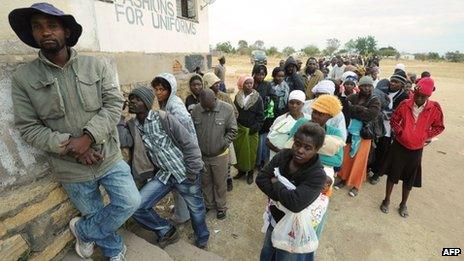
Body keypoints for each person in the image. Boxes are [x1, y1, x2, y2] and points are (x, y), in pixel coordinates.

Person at [9, 3, 140, 260]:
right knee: (93, 211)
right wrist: (72, 145)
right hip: (69, 167)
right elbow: (28, 127)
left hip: (108, 156)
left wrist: (88, 137)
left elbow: (114, 105)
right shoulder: (24, 78)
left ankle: (82, 231)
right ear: (32, 35)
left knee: (130, 202)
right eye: (37, 27)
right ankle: (114, 251)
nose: (45, 32)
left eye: (52, 25)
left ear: (66, 32)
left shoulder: (95, 66)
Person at [126, 87, 210, 249]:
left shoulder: (163, 118)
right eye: (131, 98)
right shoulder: (133, 125)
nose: (132, 102)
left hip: (184, 172)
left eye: (137, 99)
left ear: (147, 103)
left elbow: (189, 143)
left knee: (196, 210)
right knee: (137, 206)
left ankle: (202, 239)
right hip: (164, 175)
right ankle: (166, 230)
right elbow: (124, 141)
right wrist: (117, 115)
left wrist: (193, 171)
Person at [256, 123, 327, 261]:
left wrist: (277, 182)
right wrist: (286, 196)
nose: (300, 150)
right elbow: (261, 179)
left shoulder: (317, 175)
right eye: (297, 144)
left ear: (317, 149)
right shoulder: (283, 156)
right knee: (266, 254)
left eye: (307, 148)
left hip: (294, 228)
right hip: (275, 217)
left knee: (285, 256)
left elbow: (295, 205)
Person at [379, 77, 444, 217]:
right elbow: (394, 120)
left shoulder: (434, 108)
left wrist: (425, 136)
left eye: (423, 97)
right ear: (414, 93)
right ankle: (387, 199)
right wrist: (400, 131)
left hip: (416, 150)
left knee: (409, 178)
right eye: (417, 95)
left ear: (428, 96)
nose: (419, 99)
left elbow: (439, 126)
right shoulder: (405, 104)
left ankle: (403, 203)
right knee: (392, 174)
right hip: (399, 146)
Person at [151, 73, 195, 225]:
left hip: (181, 153)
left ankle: (182, 215)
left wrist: (186, 154)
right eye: (156, 89)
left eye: (162, 89)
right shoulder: (167, 103)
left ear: (171, 90)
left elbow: (186, 132)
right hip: (177, 152)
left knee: (180, 186)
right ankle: (184, 211)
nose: (158, 93)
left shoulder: (174, 106)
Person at [191, 89, 237, 219]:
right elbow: (192, 130)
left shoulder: (227, 109)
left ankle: (221, 207)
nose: (205, 108)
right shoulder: (197, 109)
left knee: (220, 183)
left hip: (220, 155)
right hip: (203, 156)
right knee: (206, 182)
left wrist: (223, 143)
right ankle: (209, 204)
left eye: (208, 106)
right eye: (203, 106)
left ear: (214, 99)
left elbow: (233, 130)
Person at [334, 76, 381, 197]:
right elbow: (345, 111)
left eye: (369, 86)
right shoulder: (352, 97)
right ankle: (343, 179)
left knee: (359, 160)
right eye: (364, 85)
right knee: (347, 157)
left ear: (372, 87)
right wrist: (361, 111)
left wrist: (354, 109)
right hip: (350, 132)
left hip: (364, 135)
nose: (366, 88)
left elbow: (371, 115)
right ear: (359, 87)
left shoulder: (375, 100)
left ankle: (356, 185)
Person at [369, 70, 409, 184]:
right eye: (392, 81)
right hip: (376, 125)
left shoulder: (404, 97)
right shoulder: (383, 90)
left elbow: (398, 114)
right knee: (373, 149)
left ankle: (377, 173)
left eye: (396, 82)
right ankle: (370, 167)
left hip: (388, 130)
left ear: (402, 84)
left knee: (383, 151)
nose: (393, 84)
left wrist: (379, 111)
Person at [203, 72, 238, 191]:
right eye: (214, 84)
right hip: (209, 137)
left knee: (227, 160)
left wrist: (225, 124)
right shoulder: (202, 98)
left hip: (224, 135)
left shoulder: (225, 96)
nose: (217, 86)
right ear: (207, 85)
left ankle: (228, 179)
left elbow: (235, 113)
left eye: (218, 83)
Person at [233, 76, 264, 184]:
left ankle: (250, 173)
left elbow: (261, 116)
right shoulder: (238, 96)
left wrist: (254, 128)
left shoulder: (257, 98)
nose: (249, 85)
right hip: (240, 130)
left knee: (251, 153)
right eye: (247, 83)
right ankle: (241, 171)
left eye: (251, 83)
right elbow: (234, 112)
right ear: (242, 84)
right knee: (240, 151)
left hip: (251, 131)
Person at [266, 90, 309, 160]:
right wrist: (280, 152)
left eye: (298, 103)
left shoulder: (308, 120)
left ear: (303, 104)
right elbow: (268, 140)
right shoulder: (280, 119)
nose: (294, 106)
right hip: (278, 158)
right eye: (291, 103)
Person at [253, 64, 275, 170]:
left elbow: (273, 98)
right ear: (254, 73)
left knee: (261, 143)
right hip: (251, 118)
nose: (261, 77)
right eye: (258, 74)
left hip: (264, 118)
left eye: (263, 74)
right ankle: (252, 161)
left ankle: (260, 162)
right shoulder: (250, 83)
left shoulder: (267, 85)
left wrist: (267, 105)